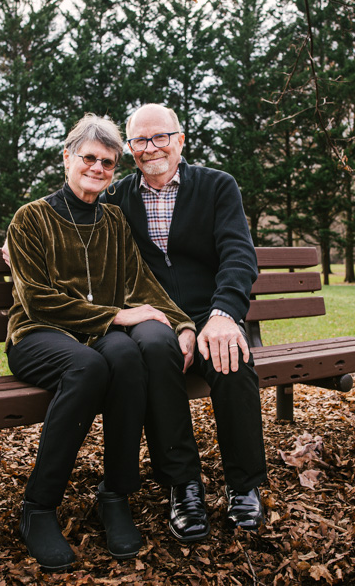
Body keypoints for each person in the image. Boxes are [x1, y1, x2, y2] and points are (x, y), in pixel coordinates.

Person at [4, 113, 196, 572]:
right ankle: (38, 508)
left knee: (127, 355)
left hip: (96, 335)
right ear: (67, 158)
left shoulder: (113, 221)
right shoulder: (31, 218)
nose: (97, 168)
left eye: (108, 162)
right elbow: (37, 301)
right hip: (37, 334)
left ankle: (115, 495)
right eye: (88, 158)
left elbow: (142, 283)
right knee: (88, 366)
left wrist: (183, 325)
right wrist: (114, 315)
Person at [104, 103, 266, 542]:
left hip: (212, 311)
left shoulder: (216, 186)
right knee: (155, 353)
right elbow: (72, 198)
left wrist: (224, 314)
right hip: (156, 316)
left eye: (160, 137)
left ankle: (244, 484)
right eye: (139, 140)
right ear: (130, 148)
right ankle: (183, 485)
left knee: (232, 359)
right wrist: (18, 234)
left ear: (179, 139)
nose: (150, 147)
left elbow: (238, 255)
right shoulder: (117, 198)